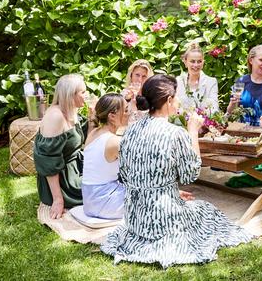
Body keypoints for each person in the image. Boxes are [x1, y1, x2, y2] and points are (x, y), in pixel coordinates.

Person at [101, 74, 251, 267]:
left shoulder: (131, 129)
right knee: (206, 210)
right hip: (163, 218)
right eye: (177, 96)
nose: (178, 100)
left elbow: (127, 174)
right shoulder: (175, 133)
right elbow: (191, 174)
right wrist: (193, 131)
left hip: (135, 217)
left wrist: (169, 190)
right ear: (169, 100)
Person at [33, 74, 90, 219]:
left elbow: (85, 139)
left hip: (76, 167)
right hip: (64, 180)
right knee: (102, 189)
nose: (87, 95)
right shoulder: (55, 117)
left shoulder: (71, 109)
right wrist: (58, 199)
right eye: (83, 92)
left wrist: (93, 117)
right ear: (70, 94)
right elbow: (48, 161)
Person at [81, 94, 129, 219]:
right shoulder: (114, 142)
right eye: (126, 110)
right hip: (105, 203)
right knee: (151, 201)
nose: (129, 114)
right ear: (112, 116)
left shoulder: (94, 133)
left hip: (89, 202)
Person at [176, 42, 219, 113]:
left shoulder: (211, 82)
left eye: (199, 61)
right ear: (185, 62)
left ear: (203, 63)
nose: (196, 65)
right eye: (192, 61)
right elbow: (175, 107)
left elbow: (214, 109)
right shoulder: (178, 81)